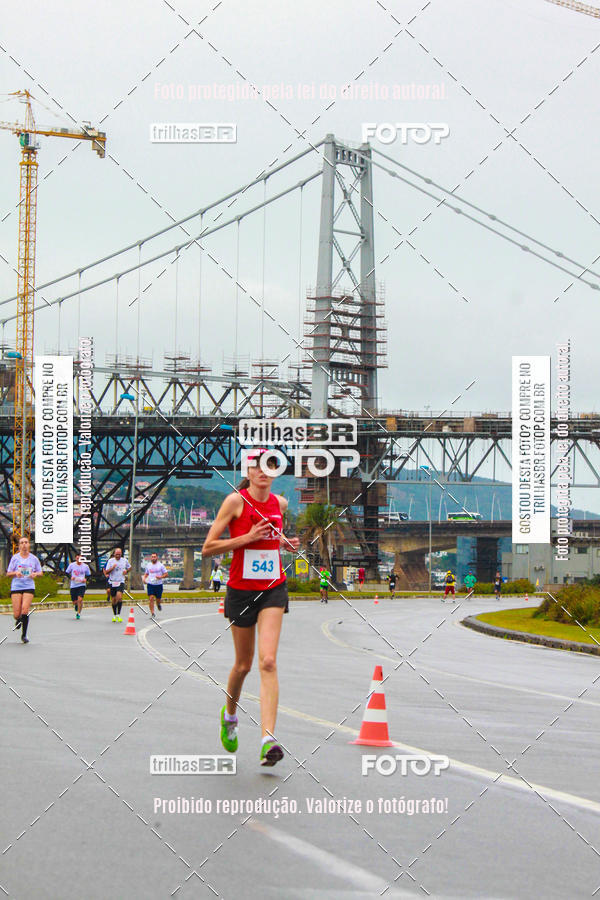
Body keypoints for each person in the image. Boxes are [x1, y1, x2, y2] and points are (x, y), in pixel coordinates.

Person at [202, 448, 299, 767]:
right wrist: (246, 538)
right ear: (249, 471)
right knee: (243, 665)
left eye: (269, 467)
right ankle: (230, 716)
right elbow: (208, 548)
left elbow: (272, 536)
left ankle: (268, 739)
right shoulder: (235, 502)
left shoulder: (280, 503)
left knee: (268, 661)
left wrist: (283, 543)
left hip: (272, 587)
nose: (262, 472)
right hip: (241, 590)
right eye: (256, 466)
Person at [6, 536, 43, 643]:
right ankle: (18, 619)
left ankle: (24, 635)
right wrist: (16, 573)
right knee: (17, 614)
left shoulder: (34, 558)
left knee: (25, 610)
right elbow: (8, 573)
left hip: (29, 586)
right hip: (16, 586)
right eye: (22, 543)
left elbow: (40, 572)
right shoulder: (15, 558)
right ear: (19, 545)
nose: (24, 544)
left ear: (29, 544)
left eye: (26, 542)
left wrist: (35, 574)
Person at [103, 547, 131, 622]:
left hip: (120, 581)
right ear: (114, 554)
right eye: (116, 554)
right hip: (112, 581)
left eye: (119, 554)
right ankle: (115, 615)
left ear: (121, 554)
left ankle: (118, 614)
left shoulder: (124, 560)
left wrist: (126, 571)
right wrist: (112, 568)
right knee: (114, 600)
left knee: (119, 597)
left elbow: (129, 567)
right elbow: (106, 571)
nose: (118, 556)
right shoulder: (110, 561)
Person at [65, 552, 91, 618]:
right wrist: (71, 577)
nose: (79, 559)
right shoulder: (72, 565)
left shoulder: (85, 566)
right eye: (77, 557)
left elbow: (89, 575)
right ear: (76, 558)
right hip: (74, 585)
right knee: (74, 601)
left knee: (80, 599)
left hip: (81, 585)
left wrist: (86, 579)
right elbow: (66, 573)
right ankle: (76, 605)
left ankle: (78, 613)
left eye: (80, 558)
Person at [143, 552, 168, 618]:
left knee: (158, 599)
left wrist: (160, 577)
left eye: (154, 557)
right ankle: (152, 612)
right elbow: (146, 574)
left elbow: (166, 574)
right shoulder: (148, 565)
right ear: (151, 558)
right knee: (151, 598)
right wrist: (144, 579)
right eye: (152, 557)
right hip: (150, 584)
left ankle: (158, 604)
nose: (153, 558)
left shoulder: (161, 565)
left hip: (158, 584)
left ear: (157, 558)